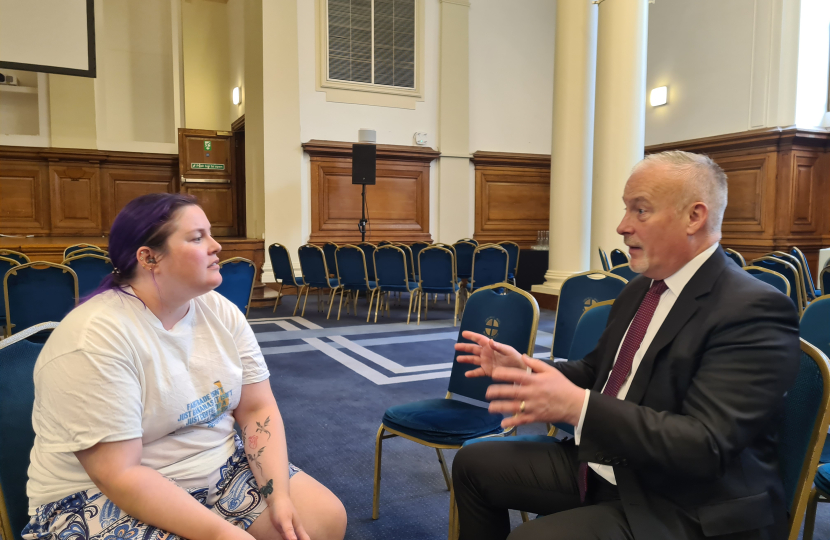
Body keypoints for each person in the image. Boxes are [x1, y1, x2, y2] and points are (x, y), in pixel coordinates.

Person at [451, 151, 800, 540]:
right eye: (625, 210)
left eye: (640, 211)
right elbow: (594, 372)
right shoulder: (640, 289)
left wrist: (576, 406)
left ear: (694, 217)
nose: (621, 226)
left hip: (692, 503)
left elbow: (705, 446)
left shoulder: (753, 308)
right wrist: (527, 371)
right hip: (619, 463)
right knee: (473, 463)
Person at [23, 193, 347, 540]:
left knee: (322, 520)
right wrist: (221, 533)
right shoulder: (93, 339)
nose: (216, 245)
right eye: (197, 237)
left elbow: (256, 409)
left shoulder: (219, 310)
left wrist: (278, 495)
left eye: (209, 233)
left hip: (214, 466)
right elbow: (119, 474)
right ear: (149, 258)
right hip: (98, 494)